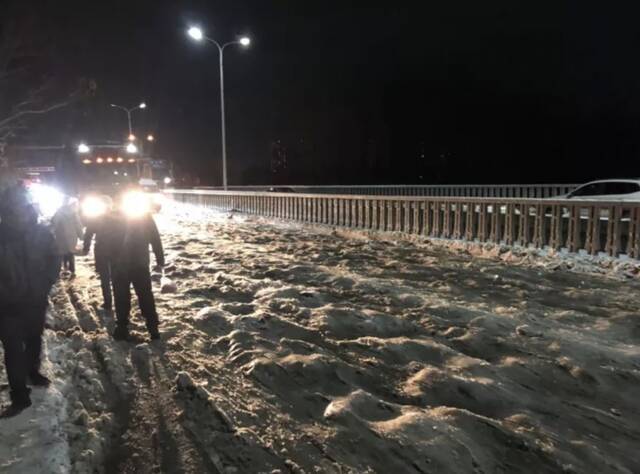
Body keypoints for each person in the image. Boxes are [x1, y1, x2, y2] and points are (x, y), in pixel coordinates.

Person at [0, 184, 60, 418]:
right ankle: (19, 395)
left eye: (21, 206)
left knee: (34, 337)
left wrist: (46, 282)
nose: (18, 212)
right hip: (7, 304)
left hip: (36, 299)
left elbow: (54, 258)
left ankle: (32, 372)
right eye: (13, 208)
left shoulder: (42, 232)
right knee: (13, 347)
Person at [110, 201, 164, 341]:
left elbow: (155, 239)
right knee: (143, 295)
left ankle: (124, 327)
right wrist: (160, 260)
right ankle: (152, 328)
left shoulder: (116, 217)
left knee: (124, 296)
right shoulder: (143, 217)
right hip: (135, 263)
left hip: (124, 264)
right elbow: (155, 239)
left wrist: (160, 260)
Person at [82, 196, 115, 311]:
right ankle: (118, 302)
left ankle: (108, 302)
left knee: (105, 278)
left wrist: (86, 248)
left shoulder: (96, 218)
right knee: (117, 278)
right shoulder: (119, 217)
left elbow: (88, 234)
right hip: (117, 251)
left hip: (102, 251)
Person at [52, 197, 83, 277]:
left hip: (61, 236)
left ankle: (64, 267)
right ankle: (72, 270)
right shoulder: (74, 213)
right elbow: (78, 225)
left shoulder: (59, 212)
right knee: (71, 252)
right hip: (72, 236)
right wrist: (81, 236)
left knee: (63, 252)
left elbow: (54, 223)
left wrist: (51, 233)